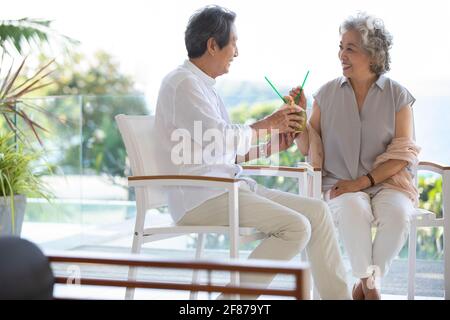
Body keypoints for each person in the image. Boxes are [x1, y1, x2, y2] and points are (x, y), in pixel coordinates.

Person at [154, 5, 350, 299]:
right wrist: (270, 122)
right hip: (202, 197)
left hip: (227, 188)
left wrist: (270, 146)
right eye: (233, 42)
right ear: (212, 45)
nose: (236, 52)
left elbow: (220, 151)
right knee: (295, 227)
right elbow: (221, 138)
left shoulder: (204, 87)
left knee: (318, 212)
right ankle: (230, 303)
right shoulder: (183, 84)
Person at [292, 12, 420, 300]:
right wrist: (299, 118)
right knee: (352, 210)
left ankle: (361, 287)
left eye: (350, 48)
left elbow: (403, 156)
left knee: (399, 215)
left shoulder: (398, 96)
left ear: (373, 54)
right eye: (340, 47)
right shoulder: (325, 95)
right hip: (340, 183)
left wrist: (362, 182)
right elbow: (308, 147)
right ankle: (371, 287)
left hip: (389, 183)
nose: (341, 55)